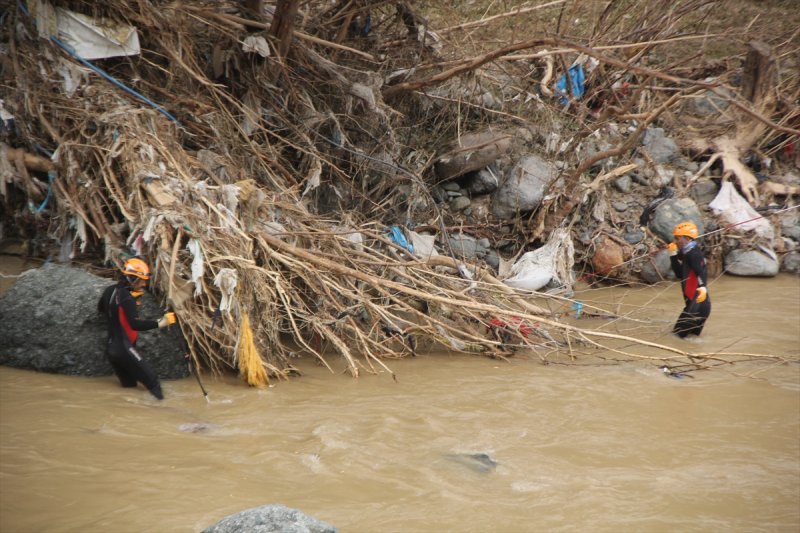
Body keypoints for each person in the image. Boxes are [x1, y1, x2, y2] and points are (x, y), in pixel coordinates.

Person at [98, 257, 175, 399]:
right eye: (141, 280)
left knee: (129, 388)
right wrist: (161, 322)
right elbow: (135, 325)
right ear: (131, 279)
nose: (144, 284)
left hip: (111, 350)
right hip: (125, 349)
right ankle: (167, 412)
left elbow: (101, 309)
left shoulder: (109, 291)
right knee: (153, 382)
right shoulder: (127, 298)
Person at [668, 221, 711, 338]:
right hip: (697, 306)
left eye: (677, 238)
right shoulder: (688, 253)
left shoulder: (694, 254)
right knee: (691, 341)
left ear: (686, 239)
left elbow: (700, 272)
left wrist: (702, 287)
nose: (675, 241)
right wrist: (673, 255)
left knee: (675, 338)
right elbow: (679, 274)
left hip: (697, 306)